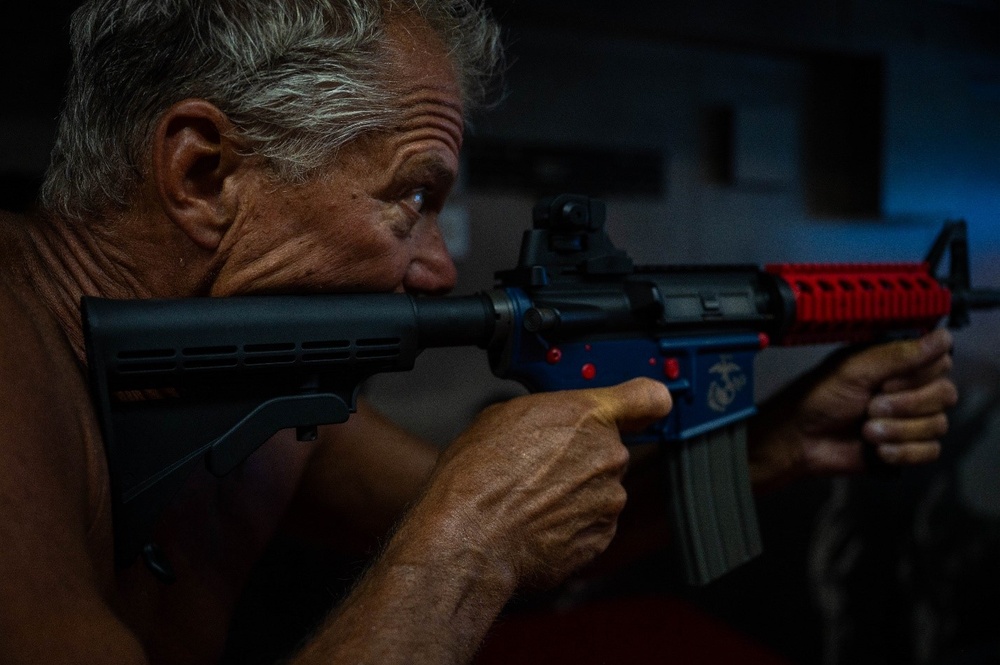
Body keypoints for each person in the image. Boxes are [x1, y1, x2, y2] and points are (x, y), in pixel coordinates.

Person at [0, 1, 957, 663]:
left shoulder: (249, 390)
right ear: (205, 172)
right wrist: (472, 536)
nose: (439, 267)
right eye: (411, 197)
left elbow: (501, 526)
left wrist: (778, 444)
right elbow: (460, 541)